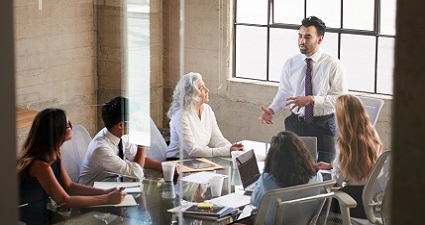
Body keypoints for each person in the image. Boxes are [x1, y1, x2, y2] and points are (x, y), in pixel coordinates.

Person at [258, 16, 348, 163]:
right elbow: (284, 92)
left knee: (323, 172)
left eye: (307, 37)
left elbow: (341, 99)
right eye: (300, 36)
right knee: (291, 168)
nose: (302, 41)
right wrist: (271, 110)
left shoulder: (333, 65)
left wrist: (313, 99)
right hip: (296, 124)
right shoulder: (291, 63)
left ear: (320, 39)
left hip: (323, 126)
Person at [17, 108, 126, 225]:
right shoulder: (40, 164)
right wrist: (107, 199)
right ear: (56, 131)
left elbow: (69, 186)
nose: (72, 126)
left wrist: (104, 192)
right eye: (67, 125)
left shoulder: (55, 154)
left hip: (41, 208)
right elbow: (64, 201)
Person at [317, 94, 383, 218]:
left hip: (352, 202)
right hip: (374, 199)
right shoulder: (372, 136)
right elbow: (361, 162)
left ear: (342, 118)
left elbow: (339, 179)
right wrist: (332, 165)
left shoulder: (344, 143)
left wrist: (333, 170)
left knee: (317, 203)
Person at [78, 96, 163, 186]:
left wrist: (162, 166)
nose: (138, 124)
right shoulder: (101, 149)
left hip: (113, 186)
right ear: (121, 125)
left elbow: (137, 157)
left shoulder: (120, 135)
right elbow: (136, 173)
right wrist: (142, 143)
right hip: (93, 191)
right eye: (135, 120)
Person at [250, 131, 323, 224]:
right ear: (303, 152)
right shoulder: (317, 176)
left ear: (274, 157)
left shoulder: (267, 180)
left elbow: (254, 202)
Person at [166, 72, 244, 159]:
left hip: (199, 160)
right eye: (202, 89)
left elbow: (217, 139)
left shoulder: (207, 110)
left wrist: (231, 148)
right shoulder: (180, 115)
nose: (207, 90)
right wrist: (228, 151)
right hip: (178, 162)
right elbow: (193, 151)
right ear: (192, 94)